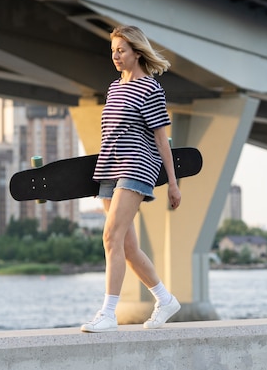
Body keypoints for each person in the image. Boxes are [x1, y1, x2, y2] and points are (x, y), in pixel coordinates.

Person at [81, 25, 181, 333]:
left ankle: (108, 313)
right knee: (126, 246)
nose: (115, 56)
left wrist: (174, 184)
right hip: (109, 169)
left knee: (110, 237)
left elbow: (162, 140)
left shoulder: (151, 89)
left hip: (136, 168)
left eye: (121, 50)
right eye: (113, 51)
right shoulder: (114, 88)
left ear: (136, 52)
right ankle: (165, 300)